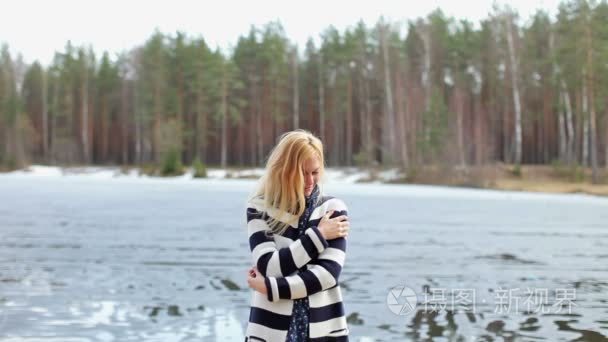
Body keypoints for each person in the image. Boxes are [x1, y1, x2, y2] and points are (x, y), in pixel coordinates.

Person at [244, 129, 351, 341]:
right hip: (269, 330)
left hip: (324, 331)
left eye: (315, 172)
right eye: (302, 173)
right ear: (284, 170)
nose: (310, 181)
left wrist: (270, 287)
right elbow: (270, 266)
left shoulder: (333, 210)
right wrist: (319, 234)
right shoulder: (259, 208)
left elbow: (327, 276)